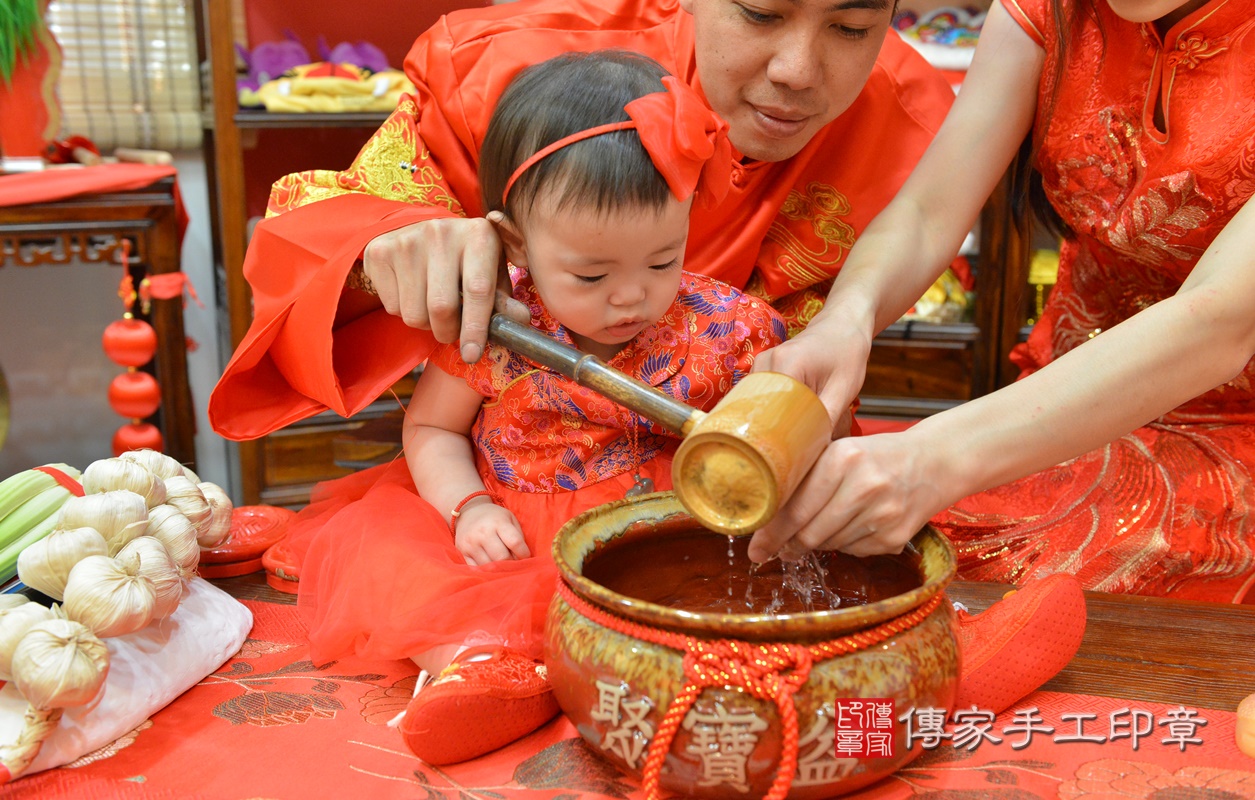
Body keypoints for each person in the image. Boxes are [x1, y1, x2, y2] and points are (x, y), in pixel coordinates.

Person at [288, 50, 790, 765]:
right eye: (590, 272)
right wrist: (467, 509)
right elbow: (430, 427)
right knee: (421, 581)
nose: (629, 296)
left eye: (661, 259)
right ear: (514, 241)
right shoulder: (496, 324)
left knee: (731, 594)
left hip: (656, 534)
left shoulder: (721, 326)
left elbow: (771, 428)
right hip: (511, 537)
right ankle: (487, 671)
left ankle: (645, 671)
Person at [206, 0, 956, 439]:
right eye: (761, 12)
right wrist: (384, 243)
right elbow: (311, 238)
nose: (797, 69)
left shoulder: (910, 121)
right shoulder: (505, 69)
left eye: (853, 27)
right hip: (520, 492)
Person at [749, 0, 1255, 604]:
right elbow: (929, 211)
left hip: (1235, 417)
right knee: (867, 549)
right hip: (1066, 387)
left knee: (971, 577)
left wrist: (931, 458)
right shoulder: (1052, 10)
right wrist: (844, 321)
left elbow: (1223, 317)